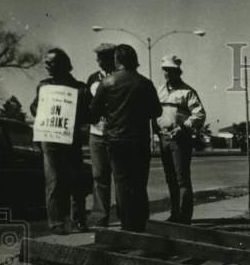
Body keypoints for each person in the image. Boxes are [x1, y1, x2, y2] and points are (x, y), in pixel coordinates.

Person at [89, 44, 161, 232]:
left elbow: (93, 114)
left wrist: (110, 112)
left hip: (116, 140)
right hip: (139, 140)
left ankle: (127, 225)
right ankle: (140, 223)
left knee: (122, 183)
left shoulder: (107, 83)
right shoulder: (146, 83)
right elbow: (157, 111)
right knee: (139, 183)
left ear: (116, 60)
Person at [30, 48, 89, 233]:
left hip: (71, 139)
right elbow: (34, 108)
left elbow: (91, 113)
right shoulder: (43, 86)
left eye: (51, 62)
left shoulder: (80, 88)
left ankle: (78, 221)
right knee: (54, 181)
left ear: (64, 65)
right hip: (50, 140)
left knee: (76, 182)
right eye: (46, 62)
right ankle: (56, 223)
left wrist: (75, 114)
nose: (47, 65)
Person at [156, 54, 206, 224]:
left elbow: (199, 114)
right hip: (163, 138)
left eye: (171, 70)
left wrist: (183, 127)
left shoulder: (188, 92)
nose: (167, 74)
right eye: (165, 70)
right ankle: (175, 212)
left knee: (181, 179)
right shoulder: (160, 90)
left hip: (181, 140)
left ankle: (184, 217)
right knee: (170, 178)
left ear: (178, 71)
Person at [85, 42, 117, 226]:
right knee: (99, 176)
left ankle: (125, 214)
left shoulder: (120, 77)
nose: (98, 61)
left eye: (102, 57)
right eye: (97, 57)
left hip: (117, 134)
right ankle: (100, 216)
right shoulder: (92, 79)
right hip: (96, 134)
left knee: (120, 176)